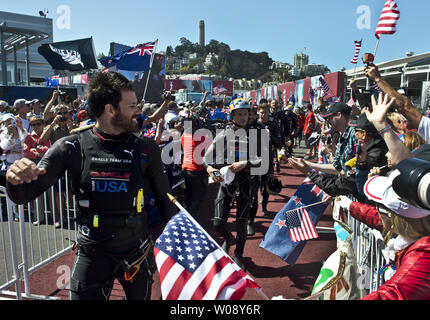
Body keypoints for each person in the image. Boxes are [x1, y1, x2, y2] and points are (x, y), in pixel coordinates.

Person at [6, 71, 177, 300]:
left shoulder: (146, 147)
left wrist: (180, 249)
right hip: (92, 254)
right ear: (110, 110)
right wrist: (14, 178)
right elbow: (23, 195)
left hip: (136, 252)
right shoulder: (70, 146)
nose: (138, 111)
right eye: (132, 105)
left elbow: (166, 201)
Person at [203, 98, 266, 270]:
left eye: (245, 114)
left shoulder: (257, 134)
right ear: (232, 116)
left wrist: (245, 163)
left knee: (240, 222)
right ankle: (227, 239)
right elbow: (206, 159)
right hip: (227, 183)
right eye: (239, 114)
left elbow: (264, 160)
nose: (243, 117)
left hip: (247, 183)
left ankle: (238, 255)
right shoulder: (224, 134)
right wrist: (210, 170)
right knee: (218, 223)